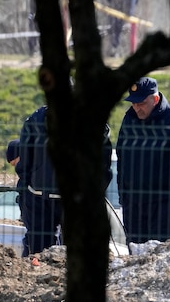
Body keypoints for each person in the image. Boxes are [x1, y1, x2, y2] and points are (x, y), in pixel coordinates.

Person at [17, 106, 113, 256]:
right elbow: (24, 162)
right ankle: (41, 278)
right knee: (39, 254)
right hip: (40, 199)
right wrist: (26, 191)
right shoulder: (35, 120)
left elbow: (103, 163)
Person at [117, 77, 170, 244]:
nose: (137, 108)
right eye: (134, 103)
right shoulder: (129, 120)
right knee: (135, 260)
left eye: (142, 103)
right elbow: (122, 158)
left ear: (156, 98)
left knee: (164, 259)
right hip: (134, 206)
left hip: (164, 207)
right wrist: (124, 196)